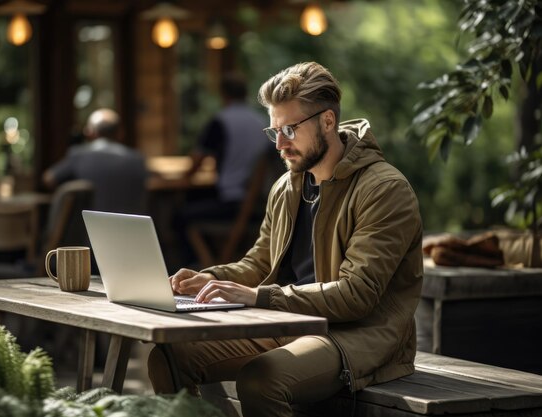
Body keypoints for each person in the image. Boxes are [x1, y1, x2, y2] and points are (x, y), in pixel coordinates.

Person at [147, 62, 424, 417]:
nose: (279, 143)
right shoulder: (287, 185)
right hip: (286, 321)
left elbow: (358, 295)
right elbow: (261, 262)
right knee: (169, 357)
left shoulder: (384, 189)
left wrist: (258, 296)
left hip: (355, 336)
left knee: (262, 379)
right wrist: (211, 279)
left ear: (327, 121)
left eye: (290, 129)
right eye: (274, 130)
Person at [175, 73, 269, 266]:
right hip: (261, 205)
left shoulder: (221, 121)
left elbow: (195, 165)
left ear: (223, 95)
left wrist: (181, 177)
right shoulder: (263, 122)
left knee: (179, 216)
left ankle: (195, 266)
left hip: (232, 203)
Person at [42, 108, 148, 214]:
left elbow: (49, 178)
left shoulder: (79, 155)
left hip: (88, 227)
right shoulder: (137, 159)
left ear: (89, 132)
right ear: (120, 133)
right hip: (129, 227)